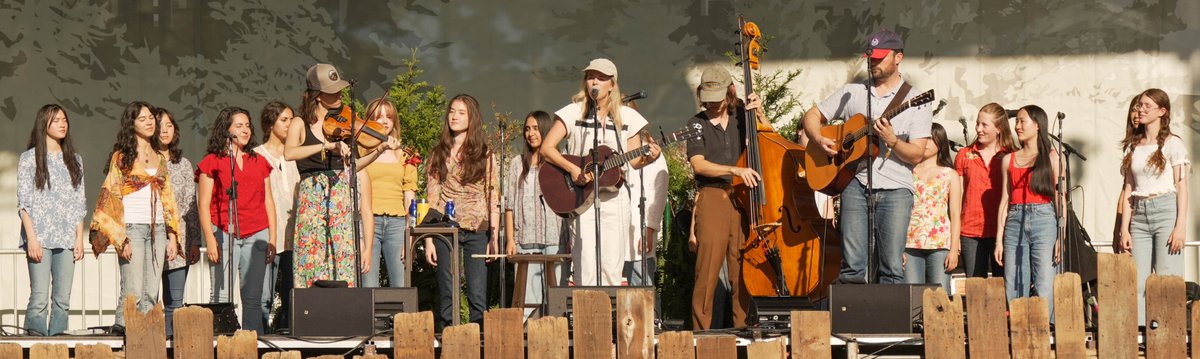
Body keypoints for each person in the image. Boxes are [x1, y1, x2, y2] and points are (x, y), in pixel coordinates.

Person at [801, 29, 933, 284]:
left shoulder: (916, 99)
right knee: (851, 268)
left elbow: (917, 154)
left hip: (896, 189)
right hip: (854, 183)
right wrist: (819, 139)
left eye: (880, 57)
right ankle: (851, 309)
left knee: (891, 268)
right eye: (871, 57)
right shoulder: (852, 92)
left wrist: (893, 141)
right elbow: (812, 115)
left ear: (898, 58)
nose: (873, 62)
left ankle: (890, 311)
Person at [540, 58, 662, 286]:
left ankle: (608, 308)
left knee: (611, 267)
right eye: (590, 77)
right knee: (585, 265)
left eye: (601, 78)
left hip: (616, 200)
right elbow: (547, 148)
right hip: (580, 197)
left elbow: (635, 161)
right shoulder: (573, 112)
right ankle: (585, 308)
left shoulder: (627, 117)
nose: (594, 81)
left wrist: (650, 158)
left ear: (612, 84)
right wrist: (573, 169)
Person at [285, 63, 394, 288]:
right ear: (317, 95)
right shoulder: (300, 123)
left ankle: (341, 302)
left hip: (339, 195)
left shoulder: (343, 124)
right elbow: (289, 153)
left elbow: (355, 166)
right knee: (312, 251)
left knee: (341, 253)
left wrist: (379, 150)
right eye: (332, 92)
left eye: (339, 91)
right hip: (312, 195)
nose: (339, 96)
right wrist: (326, 146)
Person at [90, 101, 182, 333]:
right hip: (132, 227)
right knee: (133, 289)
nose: (149, 122)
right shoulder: (122, 157)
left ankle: (147, 334)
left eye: (151, 118)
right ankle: (123, 330)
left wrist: (172, 235)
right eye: (142, 119)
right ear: (132, 124)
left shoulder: (160, 157)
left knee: (151, 291)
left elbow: (168, 198)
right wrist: (121, 238)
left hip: (157, 228)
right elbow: (111, 195)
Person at [684, 67, 765, 329]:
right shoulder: (696, 123)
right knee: (707, 270)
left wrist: (760, 114)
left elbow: (768, 141)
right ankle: (702, 332)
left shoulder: (743, 115)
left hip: (744, 197)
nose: (712, 102)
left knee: (743, 269)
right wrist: (735, 170)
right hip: (713, 195)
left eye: (717, 96)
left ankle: (745, 329)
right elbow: (698, 164)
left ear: (731, 91)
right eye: (707, 96)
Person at [197, 106, 277, 334]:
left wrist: (272, 238)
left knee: (253, 297)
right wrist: (210, 239)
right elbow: (203, 203)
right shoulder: (212, 161)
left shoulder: (259, 161)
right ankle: (221, 340)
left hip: (257, 231)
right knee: (221, 295)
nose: (245, 130)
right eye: (239, 126)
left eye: (247, 126)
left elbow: (268, 201)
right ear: (226, 129)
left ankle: (253, 343)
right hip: (223, 232)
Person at [422, 94, 499, 328]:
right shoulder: (438, 153)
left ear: (471, 118)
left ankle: (479, 337)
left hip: (478, 229)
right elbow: (432, 198)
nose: (454, 116)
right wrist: (428, 239)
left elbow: (492, 195)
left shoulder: (485, 154)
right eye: (452, 111)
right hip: (446, 229)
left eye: (461, 113)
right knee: (447, 289)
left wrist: (494, 236)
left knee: (477, 292)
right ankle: (449, 335)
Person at [1115, 88, 1189, 326]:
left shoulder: (1173, 144)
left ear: (1162, 111)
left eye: (1147, 105)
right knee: (1137, 279)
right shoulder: (1132, 147)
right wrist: (1124, 229)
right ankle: (1140, 330)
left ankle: (1170, 329)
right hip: (1139, 214)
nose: (1141, 110)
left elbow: (1182, 187)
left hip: (1165, 210)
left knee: (1168, 276)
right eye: (1139, 105)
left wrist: (1180, 226)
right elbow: (1129, 188)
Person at [18, 104, 86, 336]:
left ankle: (58, 341)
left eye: (64, 120)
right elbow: (24, 203)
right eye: (56, 120)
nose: (62, 124)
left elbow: (79, 202)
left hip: (66, 236)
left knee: (62, 298)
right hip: (39, 235)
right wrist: (31, 239)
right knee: (39, 296)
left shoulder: (74, 160)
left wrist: (79, 238)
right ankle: (35, 341)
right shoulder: (29, 158)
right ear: (44, 124)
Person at [994, 105, 1061, 316]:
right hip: (1015, 219)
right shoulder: (1009, 160)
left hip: (1044, 218)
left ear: (1038, 125)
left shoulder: (1052, 157)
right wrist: (999, 240)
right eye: (1017, 122)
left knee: (1044, 280)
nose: (1017, 126)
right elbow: (1005, 199)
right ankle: (1018, 325)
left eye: (1022, 121)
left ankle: (1045, 326)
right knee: (1015, 280)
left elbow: (1060, 198)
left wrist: (1061, 236)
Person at [504, 110, 568, 319]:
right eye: (527, 129)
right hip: (525, 240)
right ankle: (526, 334)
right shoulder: (517, 163)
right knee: (527, 300)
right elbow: (509, 205)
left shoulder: (558, 162)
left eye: (535, 129)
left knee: (555, 299)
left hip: (554, 239)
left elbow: (567, 202)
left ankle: (555, 334)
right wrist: (510, 239)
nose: (530, 134)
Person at [254, 100, 301, 331]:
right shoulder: (257, 155)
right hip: (269, 232)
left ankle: (290, 338)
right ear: (270, 123)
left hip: (296, 233)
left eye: (292, 120)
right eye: (284, 120)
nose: (289, 124)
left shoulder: (297, 155)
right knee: (264, 296)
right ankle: (261, 339)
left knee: (293, 295)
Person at [364, 97, 420, 288]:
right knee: (368, 284)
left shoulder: (405, 155)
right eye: (378, 117)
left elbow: (410, 197)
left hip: (397, 223)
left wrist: (410, 234)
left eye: (389, 117)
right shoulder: (361, 151)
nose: (384, 121)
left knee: (401, 284)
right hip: (368, 221)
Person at [955, 103, 1015, 278]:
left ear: (998, 128)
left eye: (984, 125)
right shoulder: (964, 154)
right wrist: (955, 235)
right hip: (970, 231)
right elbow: (957, 198)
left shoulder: (1011, 156)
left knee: (1004, 284)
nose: (978, 129)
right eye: (977, 124)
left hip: (1003, 230)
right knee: (975, 285)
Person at [156, 107, 201, 337]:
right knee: (149, 299)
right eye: (160, 126)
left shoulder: (183, 164)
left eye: (169, 125)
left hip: (181, 239)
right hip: (152, 236)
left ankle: (171, 344)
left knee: (175, 300)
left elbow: (191, 205)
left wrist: (195, 241)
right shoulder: (144, 162)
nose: (165, 130)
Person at [903, 123, 961, 291]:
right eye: (922, 138)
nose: (926, 143)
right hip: (910, 242)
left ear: (940, 143)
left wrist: (954, 249)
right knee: (912, 296)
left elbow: (955, 213)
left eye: (930, 139)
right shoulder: (906, 172)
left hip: (940, 243)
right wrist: (898, 248)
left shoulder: (950, 174)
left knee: (940, 296)